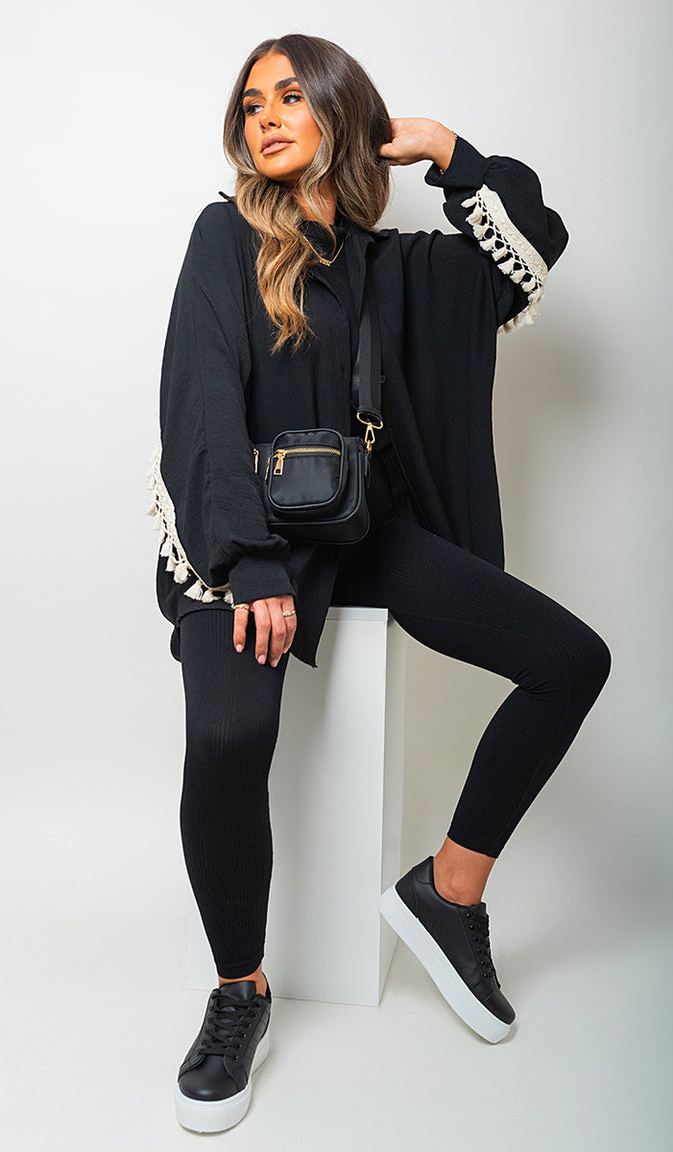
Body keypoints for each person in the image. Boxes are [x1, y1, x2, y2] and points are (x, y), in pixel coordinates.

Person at [147, 33, 611, 1134]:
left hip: (364, 529)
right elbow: (203, 403)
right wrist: (251, 561)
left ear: (340, 114)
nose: (266, 115)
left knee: (569, 662)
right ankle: (237, 989)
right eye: (252, 100)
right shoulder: (223, 236)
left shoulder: (390, 264)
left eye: (294, 96)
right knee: (225, 737)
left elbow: (528, 252)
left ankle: (448, 892)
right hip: (242, 535)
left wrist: (450, 153)